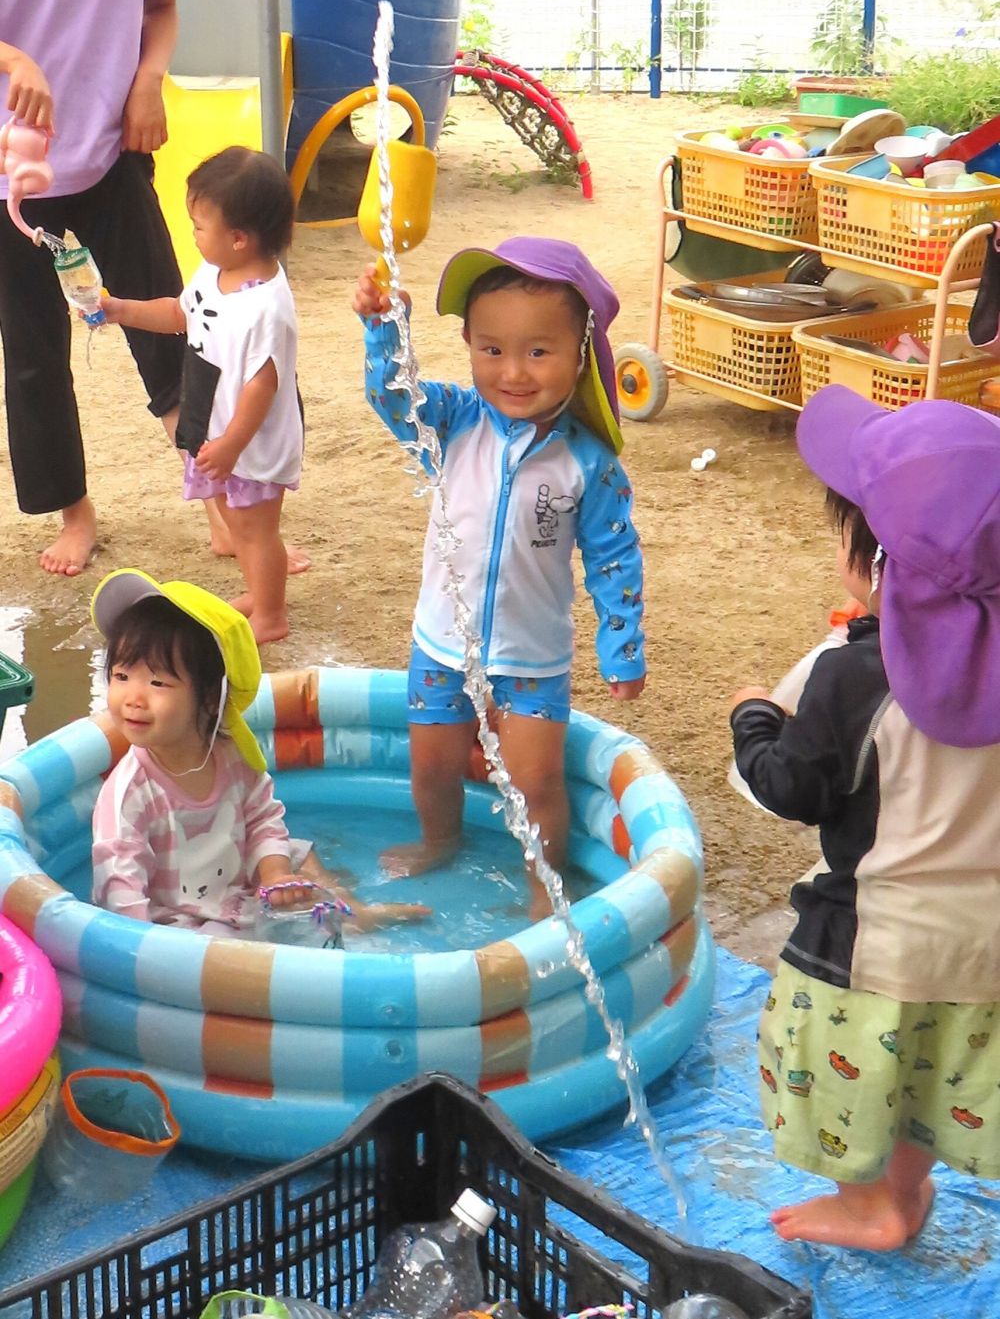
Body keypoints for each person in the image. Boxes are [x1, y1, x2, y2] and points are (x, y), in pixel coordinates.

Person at [729, 385, 1000, 1251]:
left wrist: (752, 716)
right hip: (983, 943)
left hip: (877, 936)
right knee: (933, 1065)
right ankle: (906, 1192)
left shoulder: (852, 682)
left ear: (875, 565)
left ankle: (865, 1202)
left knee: (856, 1073)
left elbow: (790, 787)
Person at [352, 237, 646, 914]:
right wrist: (382, 328)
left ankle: (547, 885)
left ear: (581, 353)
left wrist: (621, 641)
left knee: (538, 779)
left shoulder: (587, 463)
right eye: (491, 349)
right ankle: (441, 841)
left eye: (538, 351)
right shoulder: (453, 422)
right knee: (432, 766)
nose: (512, 371)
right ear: (468, 345)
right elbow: (393, 397)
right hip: (439, 645)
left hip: (533, 658)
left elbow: (613, 556)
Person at [0, 0, 204, 576]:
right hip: (11, 168)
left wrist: (148, 83)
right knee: (34, 356)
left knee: (174, 326)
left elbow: (161, 6)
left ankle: (219, 499)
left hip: (113, 145)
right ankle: (76, 514)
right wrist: (14, 58)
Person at [90, 567, 431, 936]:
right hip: (182, 923)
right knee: (240, 941)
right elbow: (119, 893)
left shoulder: (230, 755)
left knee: (297, 854)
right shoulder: (130, 793)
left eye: (158, 682)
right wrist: (148, 952)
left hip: (240, 891)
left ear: (208, 698)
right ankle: (327, 927)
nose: (133, 699)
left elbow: (262, 818)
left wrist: (275, 876)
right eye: (121, 676)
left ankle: (354, 912)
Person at [105, 147, 303, 644]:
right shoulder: (215, 274)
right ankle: (260, 595)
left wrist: (234, 444)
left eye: (198, 225)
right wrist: (119, 309)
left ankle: (271, 614)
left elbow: (264, 383)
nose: (192, 233)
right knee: (239, 520)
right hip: (213, 415)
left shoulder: (266, 305)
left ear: (238, 239)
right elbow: (179, 314)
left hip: (249, 437)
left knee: (257, 528)